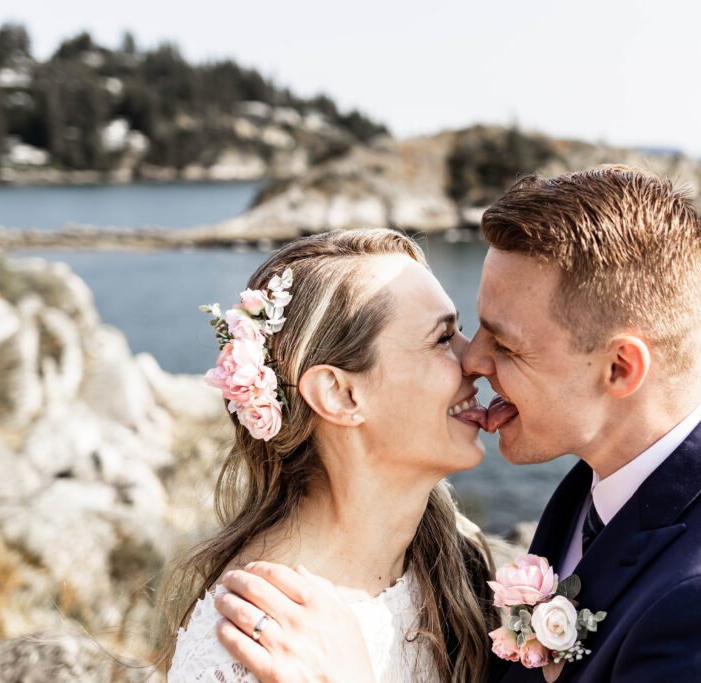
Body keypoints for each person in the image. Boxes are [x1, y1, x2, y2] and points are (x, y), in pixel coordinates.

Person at [214, 166, 701, 682]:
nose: (475, 359)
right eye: (464, 330)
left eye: (506, 344)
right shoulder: (597, 488)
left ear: (619, 369)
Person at [159, 229, 496, 683]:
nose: (475, 358)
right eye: (442, 338)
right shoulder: (250, 646)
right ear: (340, 395)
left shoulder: (453, 561)